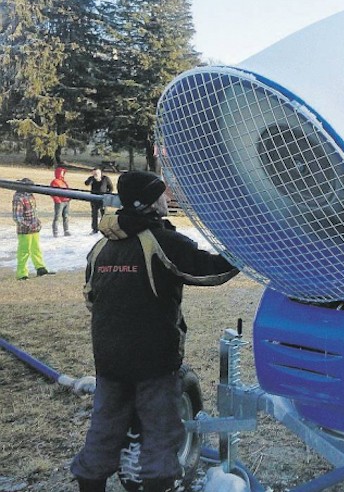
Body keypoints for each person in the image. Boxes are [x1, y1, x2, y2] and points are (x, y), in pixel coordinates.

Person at [71, 171, 239, 492]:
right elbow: (210, 271)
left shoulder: (101, 246)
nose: (166, 199)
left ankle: (90, 483)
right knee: (161, 433)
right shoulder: (161, 242)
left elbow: (91, 298)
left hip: (108, 360)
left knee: (104, 430)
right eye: (161, 194)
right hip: (154, 362)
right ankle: (158, 484)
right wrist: (250, 253)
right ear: (149, 202)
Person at [12, 178, 54, 280]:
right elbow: (17, 217)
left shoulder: (30, 195)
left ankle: (40, 268)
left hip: (35, 229)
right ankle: (22, 274)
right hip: (25, 231)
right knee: (24, 251)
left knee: (36, 249)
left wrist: (37, 223)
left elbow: (34, 212)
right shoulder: (19, 198)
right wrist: (29, 225)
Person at [84, 168, 114, 234]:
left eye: (97, 173)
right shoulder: (92, 178)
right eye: (94, 173)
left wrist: (107, 195)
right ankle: (95, 229)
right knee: (94, 214)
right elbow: (86, 183)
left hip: (103, 199)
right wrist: (92, 179)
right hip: (93, 199)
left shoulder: (105, 178)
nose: (96, 174)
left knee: (104, 214)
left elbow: (111, 188)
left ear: (100, 173)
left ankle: (105, 228)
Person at [50, 166, 72, 237]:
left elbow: (68, 190)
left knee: (66, 216)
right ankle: (55, 231)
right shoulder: (55, 182)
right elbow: (52, 192)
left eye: (63, 172)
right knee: (57, 217)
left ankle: (66, 230)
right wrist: (57, 200)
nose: (63, 174)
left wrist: (69, 197)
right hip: (59, 202)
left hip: (66, 201)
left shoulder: (64, 182)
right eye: (61, 172)